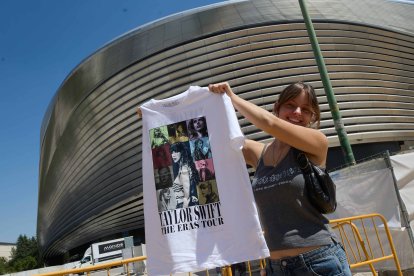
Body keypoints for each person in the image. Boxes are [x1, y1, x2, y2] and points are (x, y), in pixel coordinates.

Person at [208, 82, 351, 276]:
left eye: (306, 109)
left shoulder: (317, 143)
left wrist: (231, 97)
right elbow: (214, 144)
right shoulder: (257, 152)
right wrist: (210, 101)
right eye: (290, 105)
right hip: (277, 268)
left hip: (320, 262)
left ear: (312, 117)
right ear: (278, 107)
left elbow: (271, 124)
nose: (297, 112)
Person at [170, 142, 200, 208]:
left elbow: (187, 195)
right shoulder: (182, 168)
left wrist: (183, 210)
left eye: (176, 152)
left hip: (184, 206)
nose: (173, 155)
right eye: (172, 152)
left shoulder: (184, 168)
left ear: (182, 152)